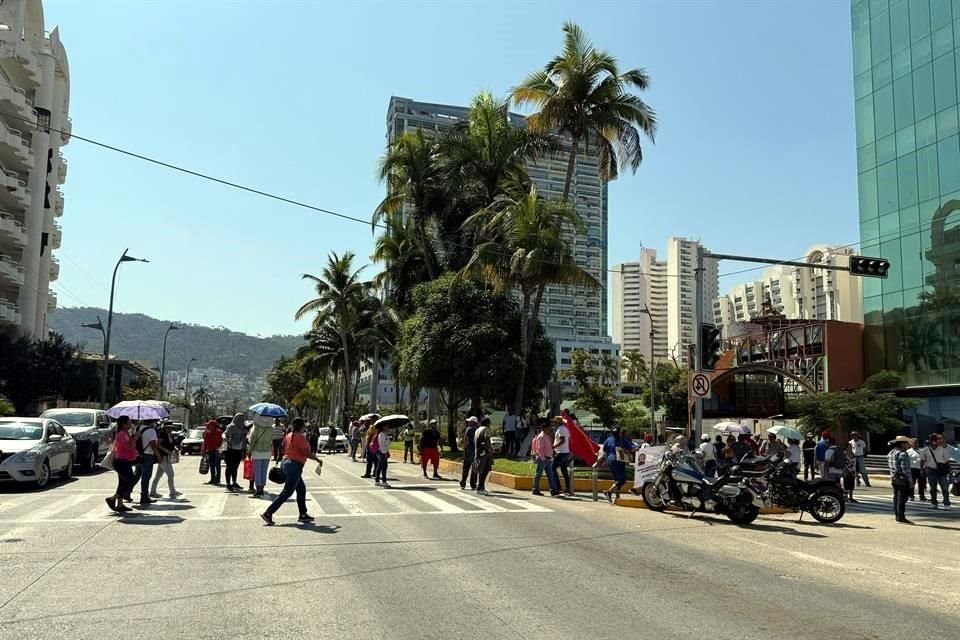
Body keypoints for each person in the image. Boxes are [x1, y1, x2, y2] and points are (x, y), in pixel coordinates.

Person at [260, 418, 320, 525]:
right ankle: (268, 513)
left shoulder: (289, 435)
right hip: (294, 466)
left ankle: (303, 514)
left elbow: (283, 448)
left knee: (301, 489)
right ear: (301, 426)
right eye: (304, 426)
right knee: (287, 492)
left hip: (286, 463)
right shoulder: (300, 437)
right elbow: (306, 452)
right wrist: (317, 459)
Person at [106, 416, 138, 513]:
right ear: (124, 424)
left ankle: (120, 505)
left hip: (125, 461)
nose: (131, 423)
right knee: (130, 480)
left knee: (122, 482)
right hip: (122, 462)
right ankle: (112, 498)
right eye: (129, 422)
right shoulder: (122, 434)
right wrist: (135, 438)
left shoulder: (125, 433)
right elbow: (128, 446)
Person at [602, 427, 637, 503]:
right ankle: (609, 492)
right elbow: (631, 449)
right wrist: (637, 449)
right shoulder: (622, 439)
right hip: (618, 461)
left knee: (617, 480)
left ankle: (617, 497)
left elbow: (604, 450)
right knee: (622, 480)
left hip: (609, 460)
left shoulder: (608, 439)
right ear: (620, 432)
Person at [149, 422, 180, 499]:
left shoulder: (170, 435)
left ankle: (152, 491)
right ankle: (172, 491)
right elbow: (157, 445)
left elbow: (172, 445)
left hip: (167, 457)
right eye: (168, 428)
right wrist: (166, 450)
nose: (170, 429)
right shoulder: (162, 435)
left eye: (171, 428)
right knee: (171, 474)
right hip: (163, 457)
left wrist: (175, 449)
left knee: (158, 475)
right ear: (165, 428)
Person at [922, 433, 952, 509]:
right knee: (933, 488)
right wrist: (922, 470)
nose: (935, 442)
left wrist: (949, 469)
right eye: (933, 440)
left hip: (941, 470)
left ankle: (946, 503)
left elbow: (947, 461)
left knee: (944, 487)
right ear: (930, 441)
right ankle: (934, 503)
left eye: (936, 440)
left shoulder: (942, 449)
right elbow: (922, 460)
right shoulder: (925, 450)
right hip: (931, 470)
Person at [887, 435, 913, 524]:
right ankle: (901, 516)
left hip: (894, 477)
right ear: (902, 444)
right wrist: (910, 480)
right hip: (902, 478)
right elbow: (905, 469)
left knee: (896, 497)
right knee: (902, 498)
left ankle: (897, 515)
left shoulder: (891, 452)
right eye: (907, 443)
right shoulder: (902, 453)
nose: (908, 445)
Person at [531, 419, 558, 496]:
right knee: (538, 474)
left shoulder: (547, 436)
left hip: (548, 458)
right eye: (549, 428)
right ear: (544, 428)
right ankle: (535, 489)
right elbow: (539, 449)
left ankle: (553, 490)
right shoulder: (542, 437)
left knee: (550, 475)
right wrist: (543, 458)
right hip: (543, 459)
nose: (550, 429)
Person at [248, 418, 273, 498]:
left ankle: (258, 490)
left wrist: (249, 451)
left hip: (257, 452)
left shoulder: (256, 428)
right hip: (267, 452)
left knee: (257, 471)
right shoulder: (271, 428)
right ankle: (261, 488)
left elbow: (252, 441)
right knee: (264, 471)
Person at [137, 420, 160, 506]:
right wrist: (158, 455)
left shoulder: (138, 428)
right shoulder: (151, 430)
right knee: (146, 476)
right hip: (148, 455)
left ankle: (127, 493)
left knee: (138, 474)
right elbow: (153, 444)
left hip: (139, 455)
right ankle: (144, 496)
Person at [221, 413, 247, 492]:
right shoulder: (231, 426)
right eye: (240, 419)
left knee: (235, 467)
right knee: (229, 467)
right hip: (230, 449)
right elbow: (224, 434)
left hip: (239, 449)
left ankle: (234, 482)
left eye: (242, 419)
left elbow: (246, 435)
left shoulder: (242, 427)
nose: (241, 420)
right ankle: (228, 484)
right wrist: (225, 438)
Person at [551, 416, 573, 497]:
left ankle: (558, 487)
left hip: (561, 452)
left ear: (558, 423)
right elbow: (568, 440)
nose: (553, 423)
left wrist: (554, 446)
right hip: (565, 452)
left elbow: (562, 440)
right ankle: (567, 488)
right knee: (564, 470)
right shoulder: (565, 429)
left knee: (552, 468)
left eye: (554, 422)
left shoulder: (560, 429)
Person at [474, 417, 494, 496]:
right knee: (485, 469)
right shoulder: (486, 429)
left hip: (478, 452)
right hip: (485, 452)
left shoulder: (477, 430)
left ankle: (480, 487)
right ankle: (480, 487)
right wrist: (490, 449)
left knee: (480, 470)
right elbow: (487, 438)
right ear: (487, 423)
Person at [200, 419, 223, 486]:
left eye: (209, 425)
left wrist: (219, 449)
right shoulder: (207, 433)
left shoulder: (219, 432)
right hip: (210, 451)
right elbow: (205, 443)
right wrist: (204, 451)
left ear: (213, 426)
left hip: (217, 451)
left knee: (217, 465)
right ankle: (212, 478)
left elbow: (222, 442)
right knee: (211, 465)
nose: (208, 427)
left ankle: (217, 479)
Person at [460, 416, 478, 490]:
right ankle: (473, 484)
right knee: (474, 469)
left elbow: (466, 440)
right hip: (475, 452)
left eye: (470, 421)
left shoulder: (469, 429)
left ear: (473, 422)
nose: (468, 422)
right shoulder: (477, 430)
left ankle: (463, 483)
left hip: (468, 451)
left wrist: (464, 448)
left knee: (465, 468)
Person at [375, 424, 391, 488]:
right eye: (387, 426)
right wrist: (385, 452)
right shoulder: (382, 434)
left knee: (379, 466)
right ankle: (384, 481)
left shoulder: (384, 434)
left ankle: (377, 480)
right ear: (384, 427)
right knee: (384, 466)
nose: (388, 428)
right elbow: (382, 444)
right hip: (382, 452)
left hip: (381, 452)